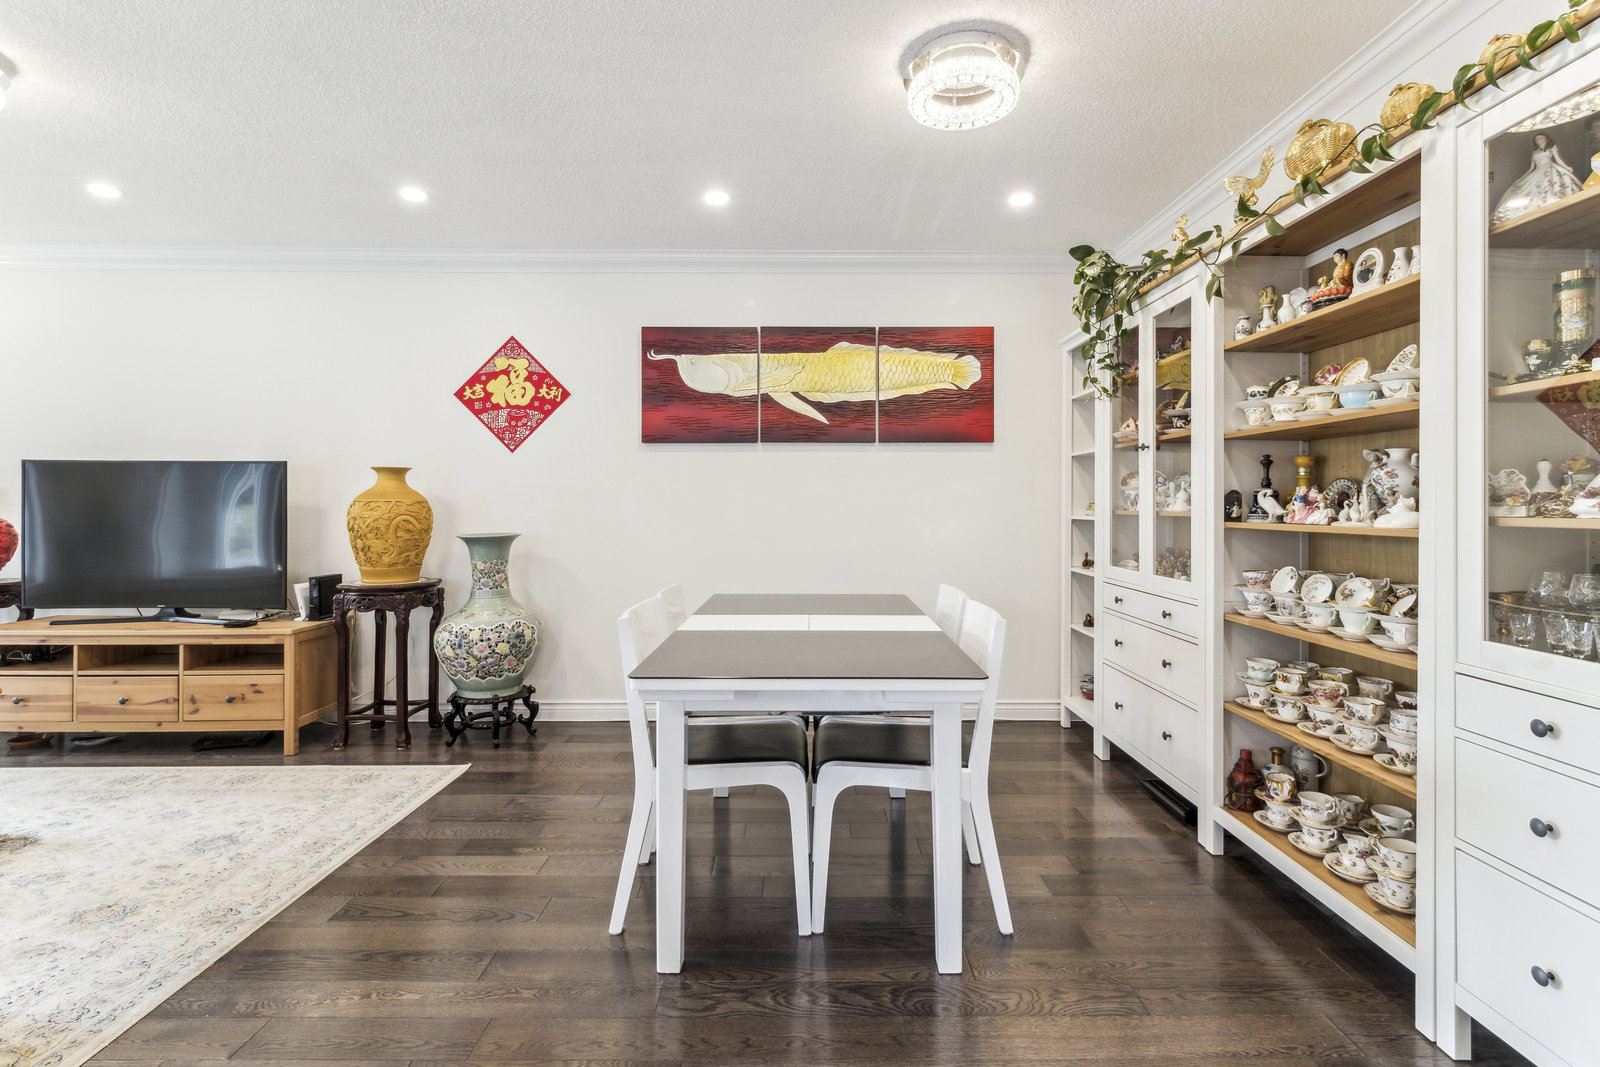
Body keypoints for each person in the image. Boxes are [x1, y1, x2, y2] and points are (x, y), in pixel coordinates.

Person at [1493, 133, 1583, 224]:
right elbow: (1531, 168)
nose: (1538, 139)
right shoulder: (1534, 152)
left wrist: (1566, 167)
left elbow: (1558, 159)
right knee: (1530, 191)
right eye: (1536, 138)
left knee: (1552, 186)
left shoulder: (1551, 148)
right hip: (1538, 171)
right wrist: (1521, 179)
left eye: (1540, 137)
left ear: (1546, 138)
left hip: (1550, 169)